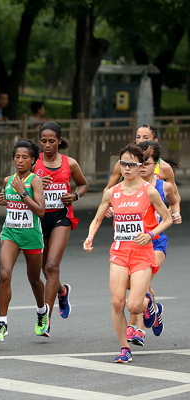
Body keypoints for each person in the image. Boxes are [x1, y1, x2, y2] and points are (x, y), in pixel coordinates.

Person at [84, 143, 172, 363]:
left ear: (140, 166)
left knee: (134, 305)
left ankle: (149, 302)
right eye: (123, 164)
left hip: (142, 253)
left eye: (132, 165)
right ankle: (124, 348)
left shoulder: (149, 192)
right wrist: (90, 237)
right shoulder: (112, 192)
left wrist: (151, 235)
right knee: (117, 303)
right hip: (120, 252)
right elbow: (96, 218)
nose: (126, 168)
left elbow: (167, 219)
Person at [34, 122, 88, 336]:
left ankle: (46, 319)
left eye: (52, 141)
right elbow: (19, 183)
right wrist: (35, 182)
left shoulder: (70, 163)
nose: (47, 145)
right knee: (43, 268)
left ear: (59, 141)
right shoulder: (33, 162)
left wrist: (74, 196)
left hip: (61, 217)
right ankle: (62, 292)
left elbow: (83, 185)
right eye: (43, 141)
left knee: (52, 265)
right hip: (38, 218)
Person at [126, 141, 181, 347]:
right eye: (139, 163)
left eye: (146, 163)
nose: (141, 167)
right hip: (133, 244)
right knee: (137, 285)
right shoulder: (129, 185)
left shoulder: (163, 185)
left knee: (141, 285)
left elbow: (175, 200)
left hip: (156, 243)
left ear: (155, 163)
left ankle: (138, 329)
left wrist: (175, 213)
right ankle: (152, 309)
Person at [0, 139, 48, 341]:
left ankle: (42, 311)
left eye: (25, 157)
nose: (20, 160)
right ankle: (2, 323)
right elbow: (6, 201)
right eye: (17, 157)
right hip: (11, 234)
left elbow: (40, 211)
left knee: (34, 279)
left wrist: (22, 192)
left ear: (33, 160)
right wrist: (3, 200)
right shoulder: (8, 180)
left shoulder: (34, 181)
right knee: (4, 275)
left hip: (31, 236)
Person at [105, 125, 180, 203]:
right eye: (138, 137)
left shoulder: (164, 167)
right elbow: (108, 189)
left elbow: (176, 198)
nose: (141, 140)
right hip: (128, 211)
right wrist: (107, 206)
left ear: (155, 141)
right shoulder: (124, 163)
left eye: (146, 138)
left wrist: (169, 213)